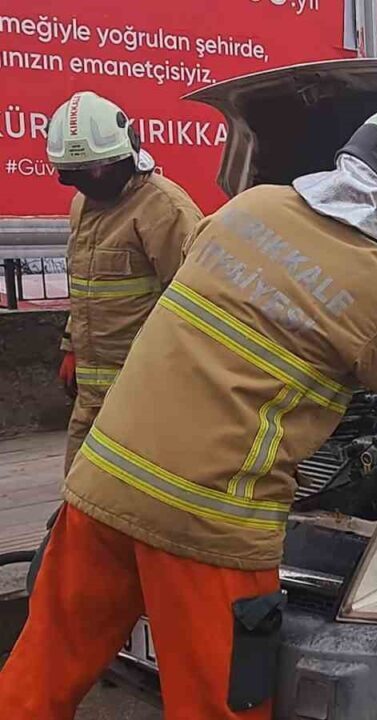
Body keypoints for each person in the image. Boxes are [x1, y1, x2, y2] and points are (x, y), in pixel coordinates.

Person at [0, 105, 377, 718]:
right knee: (223, 704)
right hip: (206, 520)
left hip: (102, 483)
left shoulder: (253, 207)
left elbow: (279, 288)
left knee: (40, 671)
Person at [46, 91, 203, 474]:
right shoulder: (83, 205)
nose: (91, 182)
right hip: (93, 397)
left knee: (131, 504)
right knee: (78, 491)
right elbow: (85, 287)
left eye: (99, 170)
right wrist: (71, 347)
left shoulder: (164, 209)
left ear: (127, 153)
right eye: (78, 175)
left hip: (146, 394)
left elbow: (198, 302)